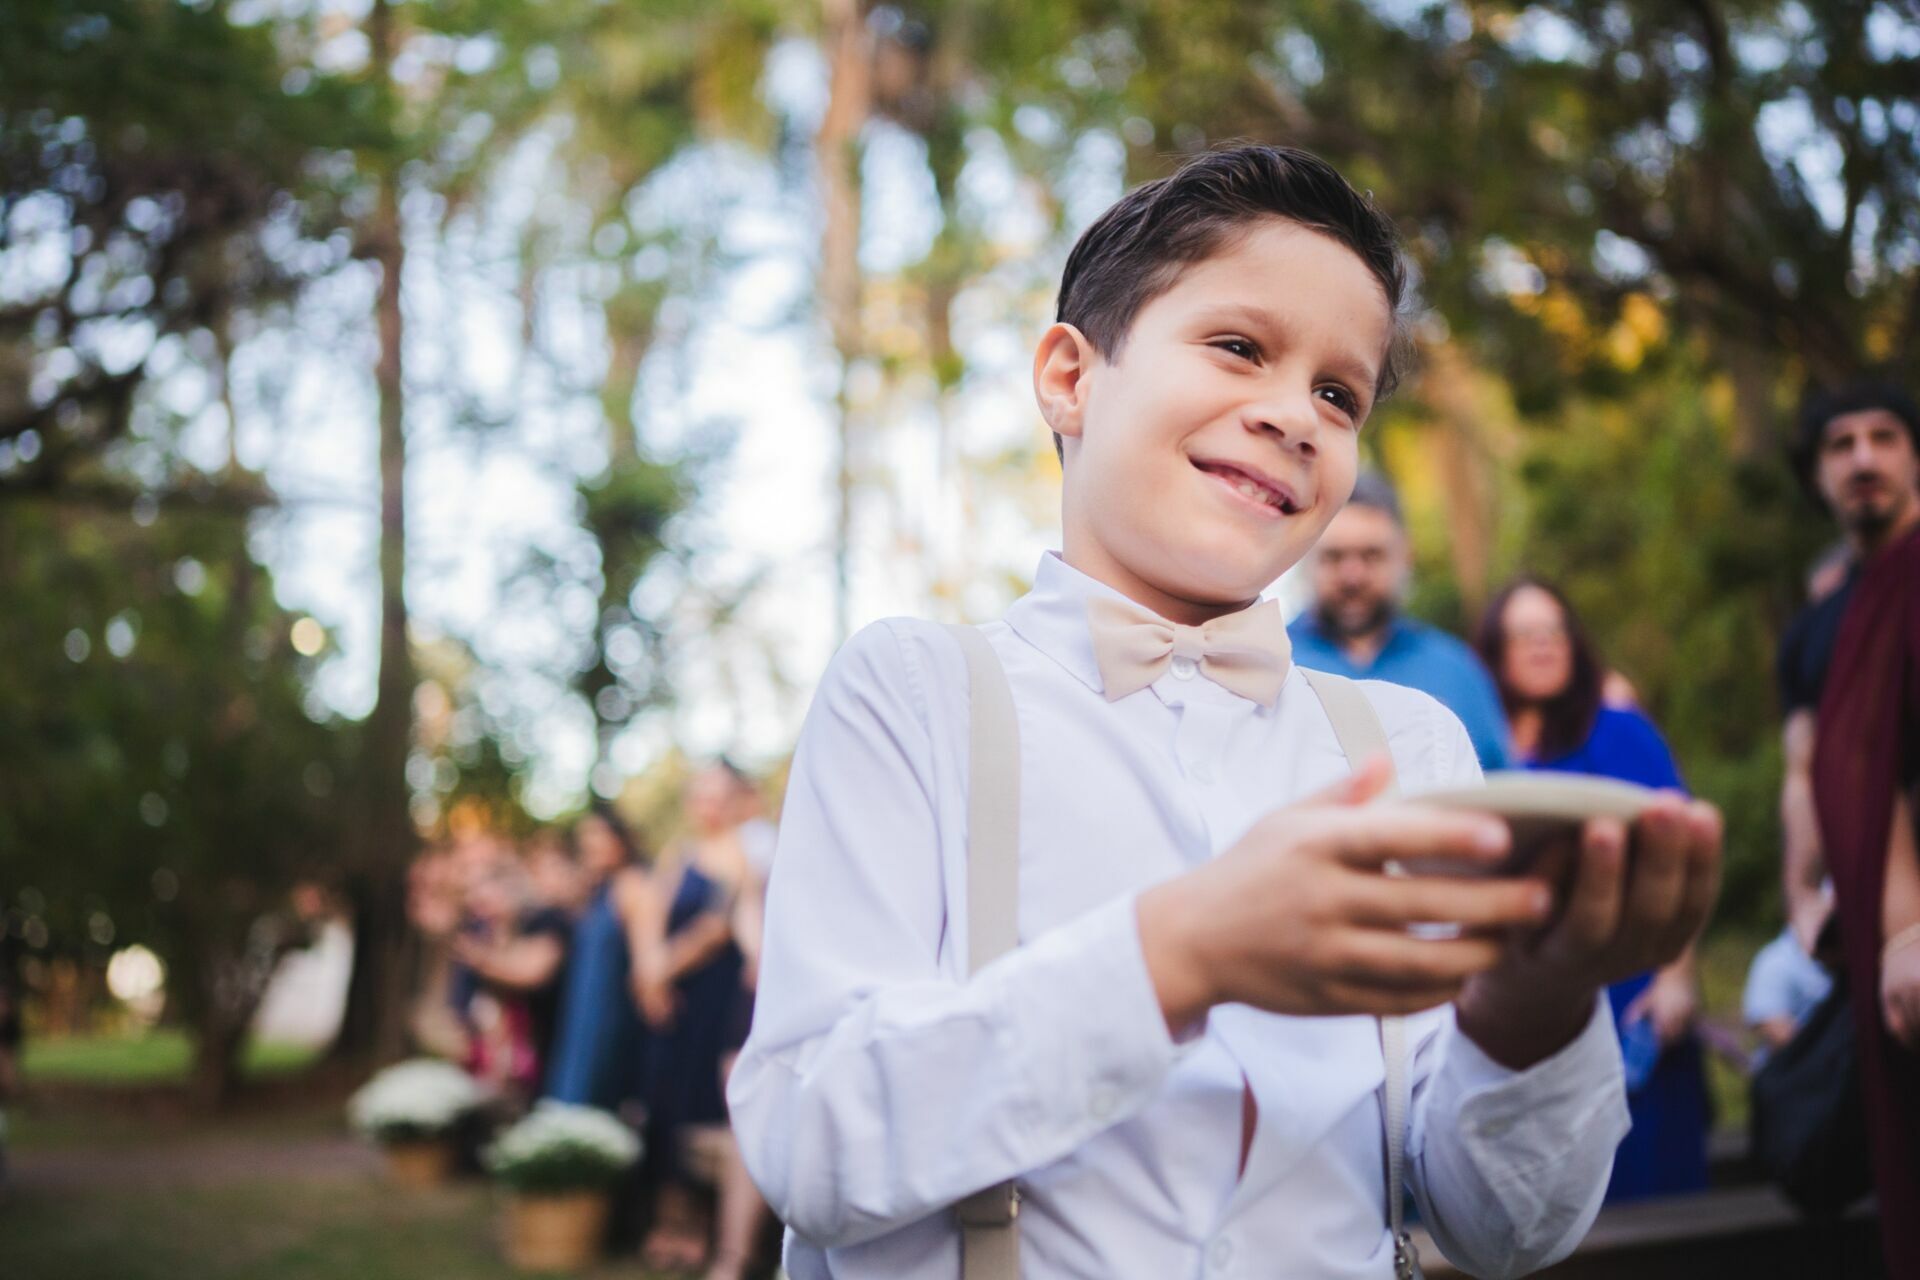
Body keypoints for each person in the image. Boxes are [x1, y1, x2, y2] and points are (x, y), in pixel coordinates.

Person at [729, 144, 1721, 1280]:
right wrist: (1180, 950)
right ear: (1069, 376)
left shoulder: (1410, 744)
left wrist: (1533, 1006)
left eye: (1338, 394)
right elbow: (812, 1140)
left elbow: (1506, 1228)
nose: (1294, 414)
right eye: (1240, 347)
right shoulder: (913, 691)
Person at [1474, 577, 1712, 1202]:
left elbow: (1678, 848)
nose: (1542, 646)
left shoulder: (1615, 729)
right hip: (1520, 993)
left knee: (1648, 1201)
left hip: (1628, 989)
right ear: (1495, 650)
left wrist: (1676, 977)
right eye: (1523, 634)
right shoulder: (1477, 738)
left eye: (1554, 631)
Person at [1791, 381, 1920, 1273]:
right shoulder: (1823, 621)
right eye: (1841, 444)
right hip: (1878, 932)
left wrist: (1910, 920)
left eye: (1885, 437)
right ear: (1818, 472)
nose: (1864, 458)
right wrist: (1806, 893)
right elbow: (1811, 767)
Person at [1288, 471, 1514, 771]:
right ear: (1305, 558)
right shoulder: (1269, 664)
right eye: (1334, 556)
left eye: (1371, 555)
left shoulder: (1457, 671)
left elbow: (1498, 793)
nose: (1353, 576)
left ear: (1405, 558)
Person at [632, 764, 761, 1278]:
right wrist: (648, 976)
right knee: (662, 1099)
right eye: (698, 793)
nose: (705, 804)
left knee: (697, 1103)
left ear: (732, 801)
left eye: (715, 795)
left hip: (710, 998)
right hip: (669, 998)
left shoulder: (741, 858)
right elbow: (649, 914)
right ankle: (669, 1218)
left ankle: (699, 1228)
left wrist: (662, 969)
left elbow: (714, 927)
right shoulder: (679, 854)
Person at [542, 805, 651, 1112]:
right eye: (585, 837)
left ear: (620, 840)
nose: (590, 844)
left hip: (610, 1012)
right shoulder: (598, 890)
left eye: (598, 835)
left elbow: (645, 961)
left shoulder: (632, 885)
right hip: (582, 1009)